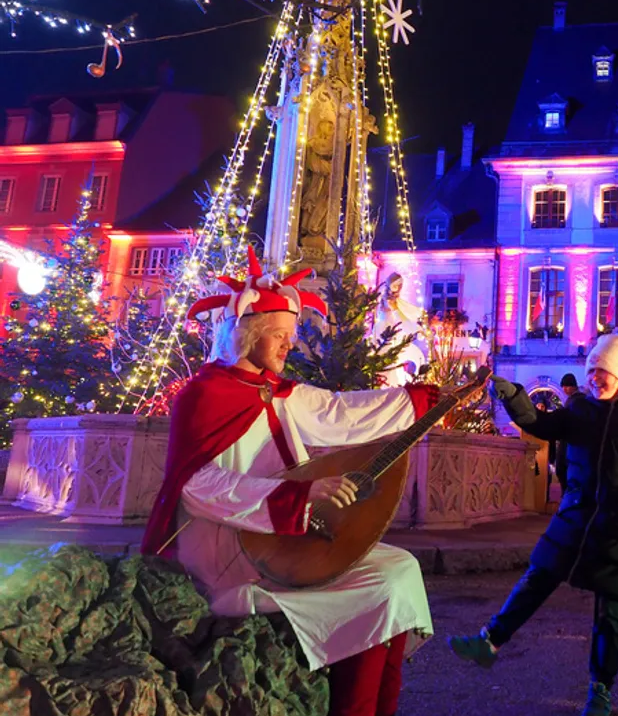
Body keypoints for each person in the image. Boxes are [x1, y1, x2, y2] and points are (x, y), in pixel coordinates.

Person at [141, 247, 438, 716]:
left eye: (290, 335)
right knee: (379, 588)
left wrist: (416, 402)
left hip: (284, 538)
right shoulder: (204, 396)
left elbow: (339, 412)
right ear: (249, 333)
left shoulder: (277, 392)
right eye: (278, 335)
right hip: (229, 556)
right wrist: (293, 497)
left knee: (401, 569)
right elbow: (198, 486)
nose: (287, 345)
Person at [448, 329, 618, 716]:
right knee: (536, 579)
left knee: (610, 613)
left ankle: (600, 691)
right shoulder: (581, 409)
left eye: (602, 373)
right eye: (591, 373)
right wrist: (513, 396)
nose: (594, 380)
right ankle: (489, 642)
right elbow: (542, 424)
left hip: (617, 526)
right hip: (575, 516)